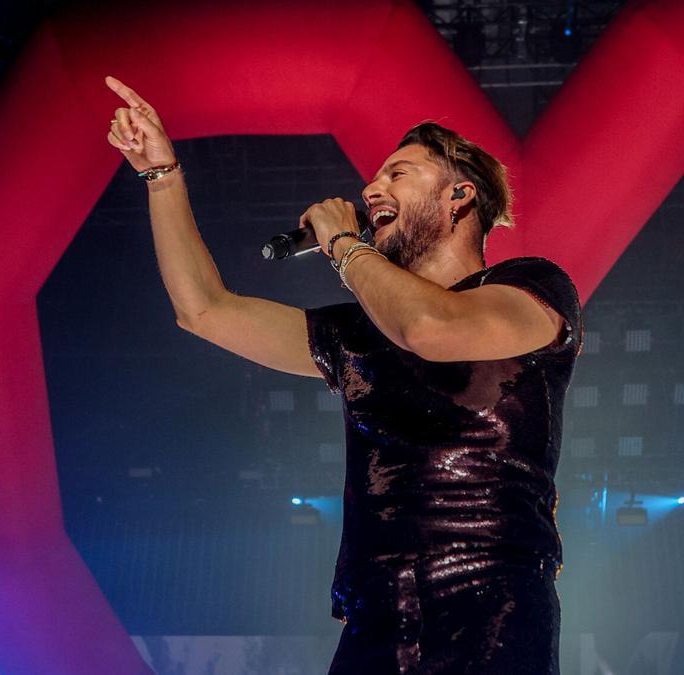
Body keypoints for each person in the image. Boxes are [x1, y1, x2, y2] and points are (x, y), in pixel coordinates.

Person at [105, 75, 582, 674]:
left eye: (397, 174)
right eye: (376, 177)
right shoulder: (358, 335)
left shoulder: (530, 287)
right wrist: (161, 175)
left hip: (490, 605)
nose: (370, 187)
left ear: (460, 196)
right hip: (374, 615)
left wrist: (343, 247)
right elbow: (204, 310)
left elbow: (431, 329)